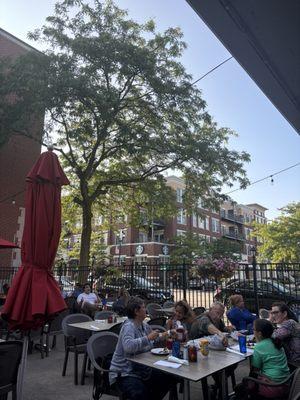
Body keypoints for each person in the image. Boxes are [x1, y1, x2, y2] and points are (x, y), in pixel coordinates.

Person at [109, 296, 175, 400]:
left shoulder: (143, 325)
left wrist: (169, 333)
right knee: (140, 392)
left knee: (168, 378)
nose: (146, 309)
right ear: (136, 311)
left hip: (141, 369)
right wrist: (147, 338)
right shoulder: (129, 326)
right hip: (124, 373)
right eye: (143, 307)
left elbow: (153, 338)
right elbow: (128, 347)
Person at [236, 319, 290, 399]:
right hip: (286, 383)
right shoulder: (276, 341)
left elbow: (255, 370)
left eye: (253, 329)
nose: (253, 331)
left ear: (259, 333)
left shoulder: (259, 346)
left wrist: (248, 382)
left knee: (240, 387)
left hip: (272, 387)